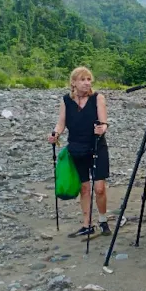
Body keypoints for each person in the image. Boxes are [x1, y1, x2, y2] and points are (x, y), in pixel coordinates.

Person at [47, 66, 111, 237]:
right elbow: (61, 123)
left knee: (99, 188)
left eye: (89, 79)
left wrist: (102, 128)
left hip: (97, 146)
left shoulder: (98, 98)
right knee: (84, 187)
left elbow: (104, 122)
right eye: (82, 79)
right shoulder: (66, 100)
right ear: (73, 82)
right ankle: (87, 224)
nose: (86, 83)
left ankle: (103, 219)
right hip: (77, 148)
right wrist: (55, 134)